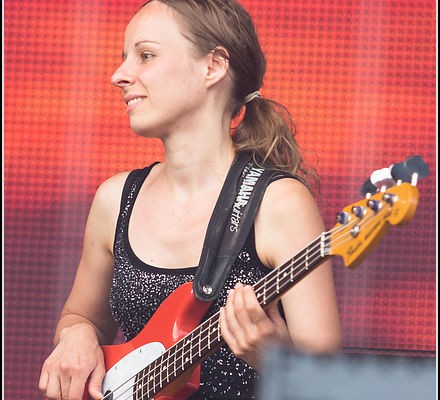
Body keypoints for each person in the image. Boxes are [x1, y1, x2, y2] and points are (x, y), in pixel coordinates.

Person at [39, 0, 341, 399]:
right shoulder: (115, 200)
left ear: (213, 67)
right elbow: (82, 316)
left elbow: (331, 386)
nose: (119, 75)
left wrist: (275, 359)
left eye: (145, 55)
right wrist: (75, 334)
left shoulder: (278, 204)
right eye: (124, 58)